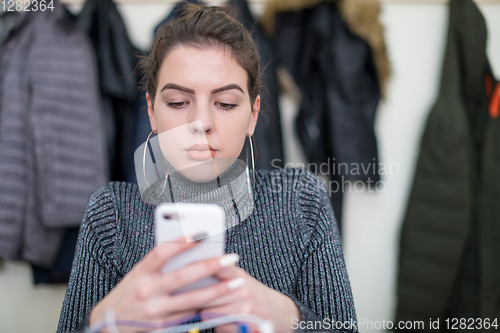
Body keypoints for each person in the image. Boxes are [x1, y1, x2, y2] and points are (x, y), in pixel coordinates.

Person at [57, 5, 358, 333]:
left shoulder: (301, 199)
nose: (201, 124)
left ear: (253, 115)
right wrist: (101, 325)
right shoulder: (110, 212)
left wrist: (292, 319)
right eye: (177, 102)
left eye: (226, 104)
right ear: (152, 112)